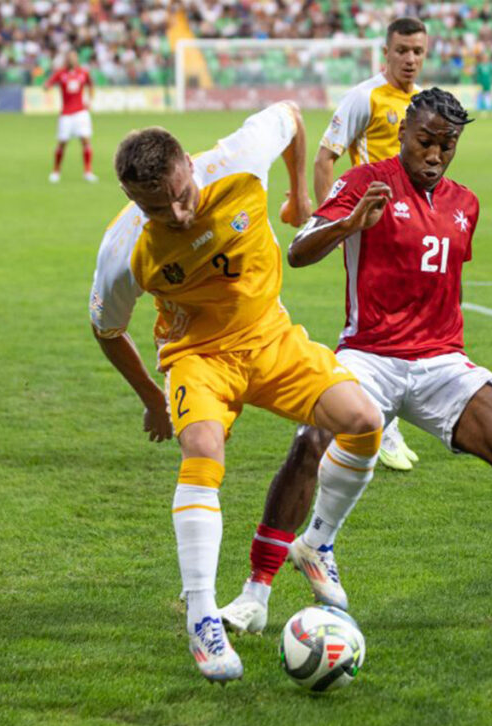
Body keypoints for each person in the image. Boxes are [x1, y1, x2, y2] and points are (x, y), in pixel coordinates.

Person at [220, 89, 492, 638]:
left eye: (447, 145)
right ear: (402, 135)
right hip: (369, 353)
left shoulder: (466, 203)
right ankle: (255, 594)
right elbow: (299, 250)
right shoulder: (366, 182)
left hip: (442, 362)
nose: (435, 154)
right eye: (425, 141)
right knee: (309, 441)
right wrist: (350, 225)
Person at [89, 102, 384, 683]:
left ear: (187, 165)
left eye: (179, 193)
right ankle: (203, 618)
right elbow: (106, 329)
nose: (175, 212)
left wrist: (300, 197)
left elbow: (294, 116)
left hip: (270, 337)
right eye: (155, 207)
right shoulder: (124, 249)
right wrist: (153, 398)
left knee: (363, 419)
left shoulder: (240, 161)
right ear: (133, 201)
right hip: (197, 357)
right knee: (203, 448)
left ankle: (317, 543)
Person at [315, 15, 428, 472]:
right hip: (371, 225)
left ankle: (383, 418)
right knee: (369, 326)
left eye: (418, 51)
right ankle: (374, 423)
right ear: (386, 52)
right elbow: (327, 155)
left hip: (413, 225)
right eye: (401, 50)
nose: (410, 59)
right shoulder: (364, 97)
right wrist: (331, 218)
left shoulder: (422, 102)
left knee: (409, 319)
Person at [45, 51, 96, 183]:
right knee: (62, 143)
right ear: (66, 60)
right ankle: (56, 171)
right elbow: (48, 84)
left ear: (77, 59)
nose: (71, 59)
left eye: (73, 57)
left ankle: (88, 172)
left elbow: (91, 85)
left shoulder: (83, 73)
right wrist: (47, 86)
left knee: (86, 141)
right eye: (69, 57)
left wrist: (90, 100)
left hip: (81, 112)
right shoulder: (61, 73)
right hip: (66, 114)